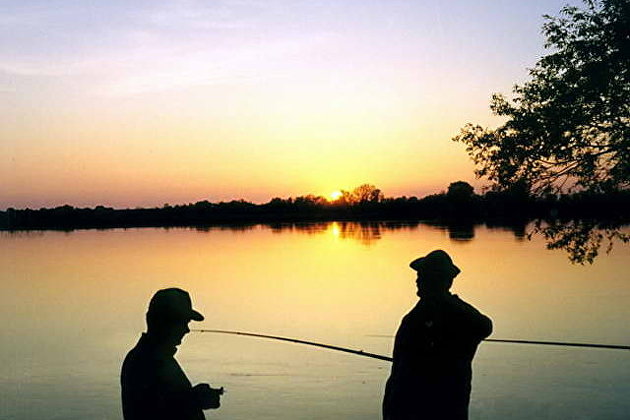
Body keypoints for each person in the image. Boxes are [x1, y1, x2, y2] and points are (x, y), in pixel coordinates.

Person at [383, 250, 492, 420]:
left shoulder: (422, 316)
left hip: (421, 408)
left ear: (435, 280)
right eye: (419, 275)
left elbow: (484, 327)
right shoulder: (458, 312)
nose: (417, 280)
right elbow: (485, 327)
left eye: (422, 275)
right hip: (450, 406)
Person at [121, 288, 223, 420]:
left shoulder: (156, 358)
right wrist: (194, 400)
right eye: (183, 322)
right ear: (165, 322)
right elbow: (152, 413)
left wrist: (193, 397)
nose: (187, 330)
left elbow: (167, 402)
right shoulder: (146, 363)